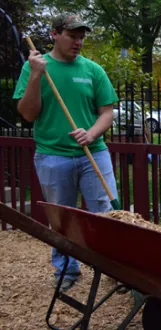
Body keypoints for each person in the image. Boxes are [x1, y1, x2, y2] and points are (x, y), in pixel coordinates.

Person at [13, 13, 119, 292]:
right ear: (54, 34)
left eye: (81, 37)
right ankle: (66, 271)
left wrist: (91, 133)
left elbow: (107, 113)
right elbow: (27, 114)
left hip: (93, 153)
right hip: (52, 155)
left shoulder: (93, 70)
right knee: (62, 219)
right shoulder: (35, 69)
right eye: (72, 35)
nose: (78, 42)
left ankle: (116, 270)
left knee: (106, 214)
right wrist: (35, 75)